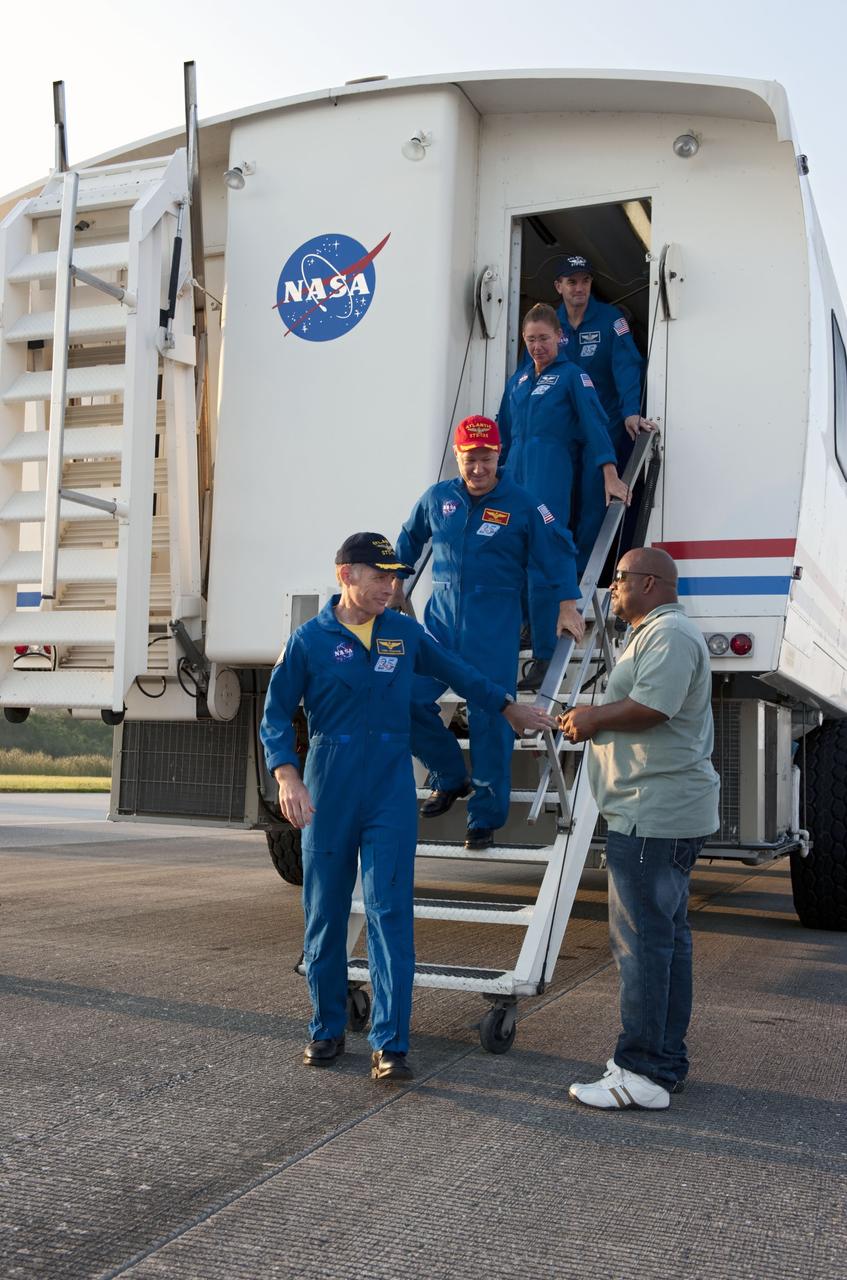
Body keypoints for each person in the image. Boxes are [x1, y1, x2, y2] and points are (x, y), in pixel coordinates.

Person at [261, 532, 556, 1083]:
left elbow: (459, 672)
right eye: (380, 576)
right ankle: (326, 1029)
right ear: (346, 574)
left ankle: (390, 1043)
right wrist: (287, 776)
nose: (391, 587)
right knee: (324, 915)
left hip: (390, 786)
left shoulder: (403, 631)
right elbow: (274, 714)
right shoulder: (308, 640)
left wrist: (507, 705)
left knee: (390, 912)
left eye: (396, 577)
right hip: (328, 783)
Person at [559, 546, 719, 1110]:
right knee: (666, 942)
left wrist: (591, 717)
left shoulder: (670, 634)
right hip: (655, 811)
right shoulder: (654, 630)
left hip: (654, 815)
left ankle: (641, 1072)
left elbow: (655, 707)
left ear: (649, 582)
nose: (613, 588)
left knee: (644, 946)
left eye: (620, 578)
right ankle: (663, 1063)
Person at [393, 416, 585, 852]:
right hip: (439, 625)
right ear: (457, 457)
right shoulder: (437, 498)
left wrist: (566, 604)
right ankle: (448, 773)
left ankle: (484, 818)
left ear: (499, 455)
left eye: (485, 458)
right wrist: (394, 584)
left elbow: (556, 552)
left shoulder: (523, 503)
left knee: (492, 718)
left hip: (493, 625)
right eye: (469, 458)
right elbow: (408, 540)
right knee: (403, 696)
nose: (477, 467)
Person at [498, 302, 630, 691]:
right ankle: (525, 627)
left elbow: (594, 425)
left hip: (550, 466)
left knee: (544, 554)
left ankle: (544, 653)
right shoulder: (519, 381)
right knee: (513, 553)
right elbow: (504, 432)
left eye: (543, 338)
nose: (537, 346)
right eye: (530, 340)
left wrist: (609, 471)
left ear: (560, 337)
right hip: (514, 469)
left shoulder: (573, 375)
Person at [553, 254, 651, 468]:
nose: (580, 288)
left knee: (595, 492)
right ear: (558, 286)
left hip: (604, 421)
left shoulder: (611, 319)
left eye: (585, 281)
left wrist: (631, 412)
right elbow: (529, 374)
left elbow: (627, 367)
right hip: (562, 423)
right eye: (572, 282)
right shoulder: (548, 324)